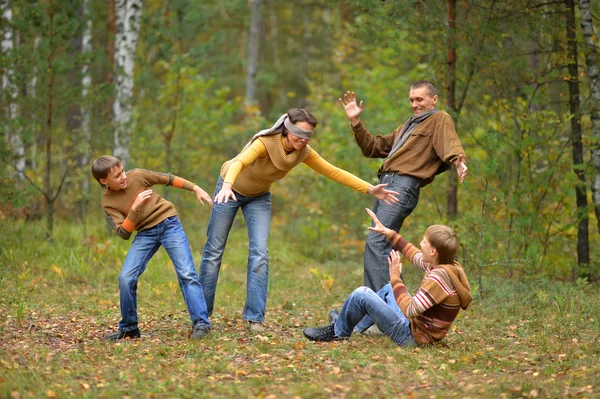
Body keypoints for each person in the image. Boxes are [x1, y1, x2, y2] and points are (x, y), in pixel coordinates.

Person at [199, 108, 400, 332]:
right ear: (287, 129)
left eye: (308, 136)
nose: (303, 140)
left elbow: (333, 171)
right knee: (214, 252)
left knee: (260, 253)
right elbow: (239, 162)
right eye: (299, 135)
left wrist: (370, 188)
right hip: (229, 188)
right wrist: (226, 185)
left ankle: (254, 318)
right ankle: (201, 316)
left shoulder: (303, 151)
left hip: (258, 196)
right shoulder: (266, 143)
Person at [339, 80, 469, 292]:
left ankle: (379, 313)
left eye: (420, 99)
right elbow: (373, 147)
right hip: (387, 185)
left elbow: (450, 142)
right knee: (386, 246)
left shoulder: (439, 119)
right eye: (412, 100)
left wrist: (458, 160)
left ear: (433, 99)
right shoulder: (407, 127)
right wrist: (355, 122)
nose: (415, 104)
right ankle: (395, 310)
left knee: (377, 243)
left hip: (402, 186)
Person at [303, 208, 472, 346]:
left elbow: (410, 310)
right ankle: (351, 326)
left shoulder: (438, 278)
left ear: (433, 251)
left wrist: (395, 277)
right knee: (388, 289)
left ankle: (338, 332)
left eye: (423, 242)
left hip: (412, 337)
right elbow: (413, 254)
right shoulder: (446, 266)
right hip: (415, 327)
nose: (420, 244)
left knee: (362, 294)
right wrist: (387, 233)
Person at [91, 155, 213, 340]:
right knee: (125, 278)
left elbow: (168, 179)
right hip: (145, 233)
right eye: (117, 176)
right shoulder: (108, 202)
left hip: (169, 223)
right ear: (104, 181)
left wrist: (196, 188)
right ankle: (129, 328)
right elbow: (124, 233)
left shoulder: (138, 176)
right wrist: (136, 207)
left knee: (186, 273)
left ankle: (202, 323)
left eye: (122, 171)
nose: (123, 177)